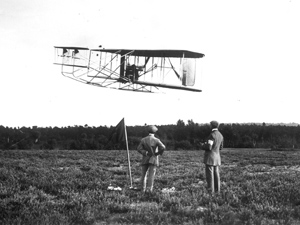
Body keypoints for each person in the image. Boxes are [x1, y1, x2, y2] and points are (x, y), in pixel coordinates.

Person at [137, 125, 166, 193]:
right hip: (153, 159)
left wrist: (145, 152)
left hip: (145, 158)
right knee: (151, 175)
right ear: (154, 132)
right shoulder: (156, 140)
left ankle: (142, 189)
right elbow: (163, 147)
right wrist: (157, 153)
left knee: (143, 174)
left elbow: (138, 149)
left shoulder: (143, 139)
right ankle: (149, 190)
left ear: (148, 132)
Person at [200, 120, 224, 193]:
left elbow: (209, 147)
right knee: (216, 175)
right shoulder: (220, 135)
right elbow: (221, 147)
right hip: (217, 157)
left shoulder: (212, 135)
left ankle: (211, 192)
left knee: (210, 176)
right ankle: (217, 191)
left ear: (211, 126)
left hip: (210, 158)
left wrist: (203, 145)